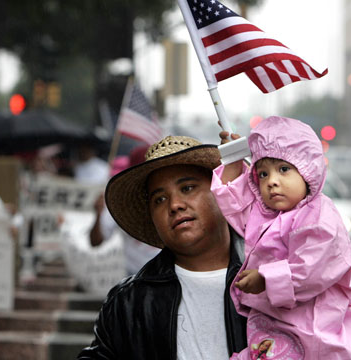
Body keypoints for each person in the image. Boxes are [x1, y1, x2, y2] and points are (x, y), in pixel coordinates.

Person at [211, 116, 351, 359]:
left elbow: (311, 268)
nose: (272, 181)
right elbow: (239, 207)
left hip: (319, 323)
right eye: (263, 174)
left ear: (308, 170)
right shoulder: (267, 215)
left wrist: (265, 279)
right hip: (278, 324)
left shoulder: (319, 214)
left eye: (284, 169)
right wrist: (234, 162)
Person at [78, 135, 247, 359]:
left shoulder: (276, 280)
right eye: (159, 199)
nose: (175, 205)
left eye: (187, 188)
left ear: (222, 190)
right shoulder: (129, 302)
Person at [89, 145, 160, 275]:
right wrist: (98, 214)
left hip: (170, 274)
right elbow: (95, 241)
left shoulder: (169, 198)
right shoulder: (120, 203)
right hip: (136, 276)